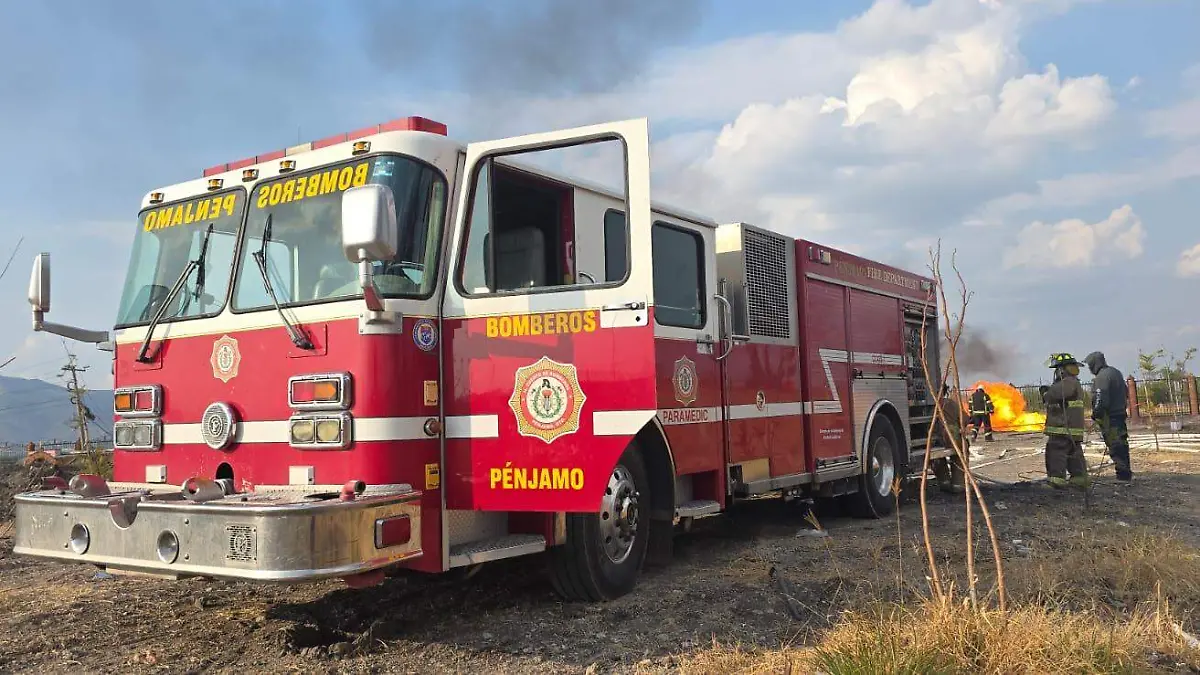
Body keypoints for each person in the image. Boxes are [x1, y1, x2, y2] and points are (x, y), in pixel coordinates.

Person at [1041, 353, 1089, 489]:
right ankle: (1079, 480)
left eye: (1057, 369)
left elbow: (1055, 395)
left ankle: (1056, 482)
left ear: (1062, 369)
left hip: (1062, 426)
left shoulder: (1067, 382)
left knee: (1056, 452)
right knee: (1074, 453)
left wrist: (1046, 393)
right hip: (1072, 427)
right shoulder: (1074, 382)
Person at [1084, 351, 1133, 482]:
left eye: (1090, 365)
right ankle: (1125, 473)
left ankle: (1122, 476)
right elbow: (1126, 392)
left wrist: (1096, 414)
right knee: (1122, 444)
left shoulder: (1102, 377)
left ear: (1095, 363)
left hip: (1110, 417)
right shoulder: (1116, 372)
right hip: (1120, 414)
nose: (1089, 368)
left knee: (1115, 446)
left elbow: (1101, 397)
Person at [933, 383, 968, 493]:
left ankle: (944, 482)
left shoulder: (932, 404)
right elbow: (965, 419)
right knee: (961, 452)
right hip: (951, 436)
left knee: (937, 456)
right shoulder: (950, 403)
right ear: (944, 391)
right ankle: (958, 484)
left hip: (934, 438)